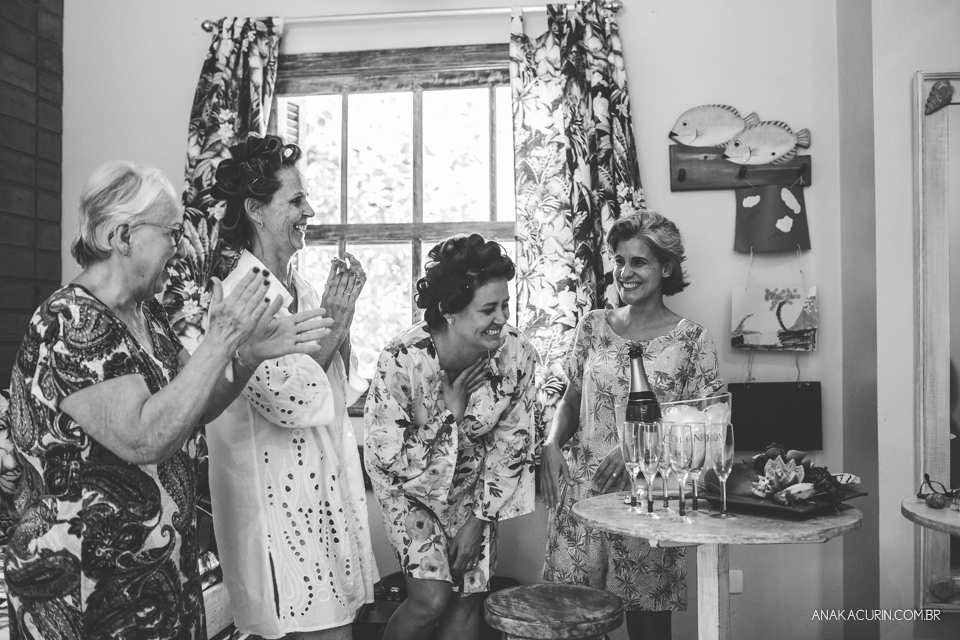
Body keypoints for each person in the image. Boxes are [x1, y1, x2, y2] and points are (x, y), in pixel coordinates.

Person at [5, 160, 332, 639]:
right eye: (172, 233)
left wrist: (245, 358)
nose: (182, 249)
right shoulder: (69, 322)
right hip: (85, 589)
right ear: (122, 235)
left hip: (157, 574)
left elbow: (197, 406)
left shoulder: (147, 314)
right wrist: (220, 341)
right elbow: (145, 439)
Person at [205, 134, 378, 640]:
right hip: (275, 511)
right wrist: (337, 323)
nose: (310, 211)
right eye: (297, 200)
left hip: (320, 495)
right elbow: (291, 400)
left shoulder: (298, 286)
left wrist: (338, 327)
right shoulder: (243, 290)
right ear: (257, 210)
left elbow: (337, 384)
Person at [540, 211, 723, 640]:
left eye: (638, 262)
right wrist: (551, 444)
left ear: (666, 268)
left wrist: (637, 446)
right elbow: (572, 397)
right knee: (571, 624)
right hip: (581, 497)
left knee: (648, 628)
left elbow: (709, 427)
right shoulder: (593, 327)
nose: (626, 272)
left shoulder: (692, 340)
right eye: (619, 261)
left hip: (652, 499)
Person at [364, 234, 538, 640]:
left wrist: (479, 520)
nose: (501, 318)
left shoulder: (518, 354)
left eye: (506, 305)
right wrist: (448, 416)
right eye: (488, 309)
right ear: (449, 311)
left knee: (466, 598)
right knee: (431, 601)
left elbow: (511, 446)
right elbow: (388, 457)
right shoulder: (402, 359)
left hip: (475, 490)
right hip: (407, 489)